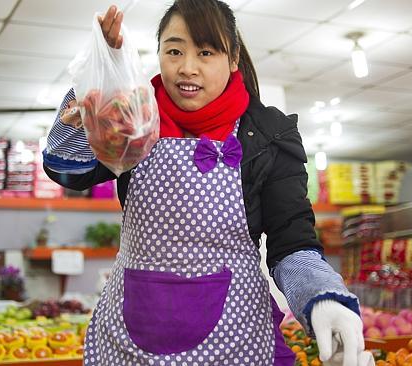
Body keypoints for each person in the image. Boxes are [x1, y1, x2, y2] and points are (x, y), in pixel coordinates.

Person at [43, 1, 373, 365]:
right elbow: (71, 173)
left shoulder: (267, 133)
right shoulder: (134, 118)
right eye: (174, 50)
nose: (187, 67)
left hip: (235, 335)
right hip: (134, 331)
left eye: (205, 52)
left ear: (232, 58)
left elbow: (291, 241)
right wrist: (96, 81)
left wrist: (321, 297)